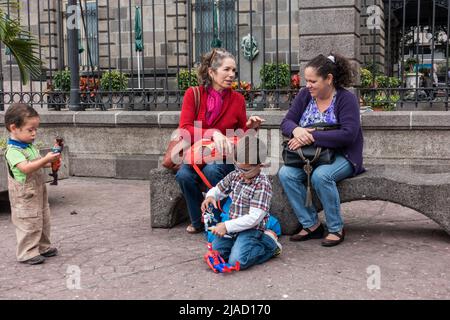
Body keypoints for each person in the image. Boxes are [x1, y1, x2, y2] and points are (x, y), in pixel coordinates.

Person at [278, 53, 364, 247]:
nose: (307, 85)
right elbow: (286, 123)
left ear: (329, 79)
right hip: (310, 156)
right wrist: (297, 129)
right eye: (306, 80)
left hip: (343, 155)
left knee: (321, 176)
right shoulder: (305, 95)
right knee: (286, 174)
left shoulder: (346, 99)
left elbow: (348, 135)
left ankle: (335, 228)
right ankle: (311, 225)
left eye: (312, 81)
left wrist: (312, 136)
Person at [176, 48, 264, 234]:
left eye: (234, 71)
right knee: (183, 175)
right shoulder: (194, 94)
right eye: (227, 69)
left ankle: (218, 222)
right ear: (211, 71)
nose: (232, 75)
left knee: (213, 170)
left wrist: (251, 127)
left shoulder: (237, 99)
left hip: (226, 156)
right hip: (199, 153)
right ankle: (197, 220)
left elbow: (241, 137)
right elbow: (184, 129)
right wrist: (213, 133)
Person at [201, 135, 282, 270]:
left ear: (259, 165)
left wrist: (226, 226)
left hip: (252, 229)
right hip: (233, 228)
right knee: (217, 251)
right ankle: (238, 244)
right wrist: (211, 196)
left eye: (246, 170)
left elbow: (253, 219)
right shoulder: (236, 175)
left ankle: (269, 245)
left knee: (237, 261)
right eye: (237, 168)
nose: (241, 173)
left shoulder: (262, 184)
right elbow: (219, 189)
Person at [4, 103, 61, 265]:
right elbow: (26, 168)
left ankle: (43, 246)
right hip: (24, 195)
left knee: (43, 218)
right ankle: (27, 252)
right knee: (28, 221)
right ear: (14, 128)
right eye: (30, 130)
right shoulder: (13, 151)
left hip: (38, 190)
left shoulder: (29, 147)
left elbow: (37, 163)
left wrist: (51, 163)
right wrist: (46, 159)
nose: (34, 133)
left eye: (36, 129)